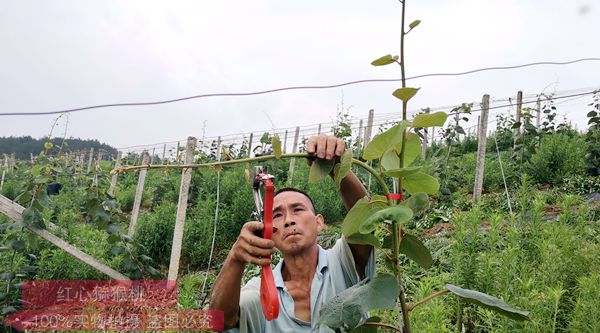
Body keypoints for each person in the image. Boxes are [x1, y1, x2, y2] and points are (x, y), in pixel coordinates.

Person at [209, 135, 374, 332]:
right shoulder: (260, 292)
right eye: (277, 214)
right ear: (268, 231)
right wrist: (235, 258)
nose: (288, 220)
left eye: (298, 209)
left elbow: (365, 220)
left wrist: (337, 167)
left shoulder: (342, 264)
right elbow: (219, 321)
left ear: (319, 222)